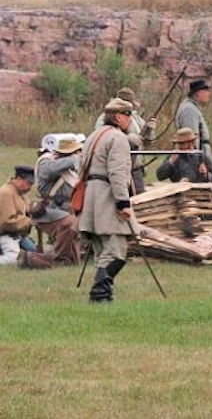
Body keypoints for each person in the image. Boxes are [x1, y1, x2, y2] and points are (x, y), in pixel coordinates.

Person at [78, 97, 137, 302]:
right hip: (108, 197)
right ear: (119, 117)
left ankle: (103, 294)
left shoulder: (93, 136)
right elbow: (118, 173)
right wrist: (123, 203)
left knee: (102, 251)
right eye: (129, 116)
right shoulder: (118, 138)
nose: (130, 120)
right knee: (116, 252)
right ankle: (99, 294)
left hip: (91, 197)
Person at [32, 138, 84, 265]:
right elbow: (48, 171)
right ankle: (58, 258)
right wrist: (74, 160)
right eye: (76, 152)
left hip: (67, 208)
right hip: (49, 210)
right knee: (69, 223)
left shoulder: (68, 167)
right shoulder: (46, 162)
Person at [95, 87, 155, 192]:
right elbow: (104, 138)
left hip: (136, 169)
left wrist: (149, 129)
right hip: (116, 169)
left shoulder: (136, 119)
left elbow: (147, 142)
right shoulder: (103, 118)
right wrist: (127, 139)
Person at [0, 166, 50, 268]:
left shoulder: (20, 194)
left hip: (18, 235)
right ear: (18, 179)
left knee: (35, 255)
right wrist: (30, 221)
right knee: (12, 260)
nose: (30, 187)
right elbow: (6, 222)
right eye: (28, 183)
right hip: (5, 235)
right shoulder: (6, 193)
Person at [176, 79, 212, 169]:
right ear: (198, 93)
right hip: (196, 161)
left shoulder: (193, 108)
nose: (209, 94)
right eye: (206, 91)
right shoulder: (189, 110)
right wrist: (197, 163)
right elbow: (190, 139)